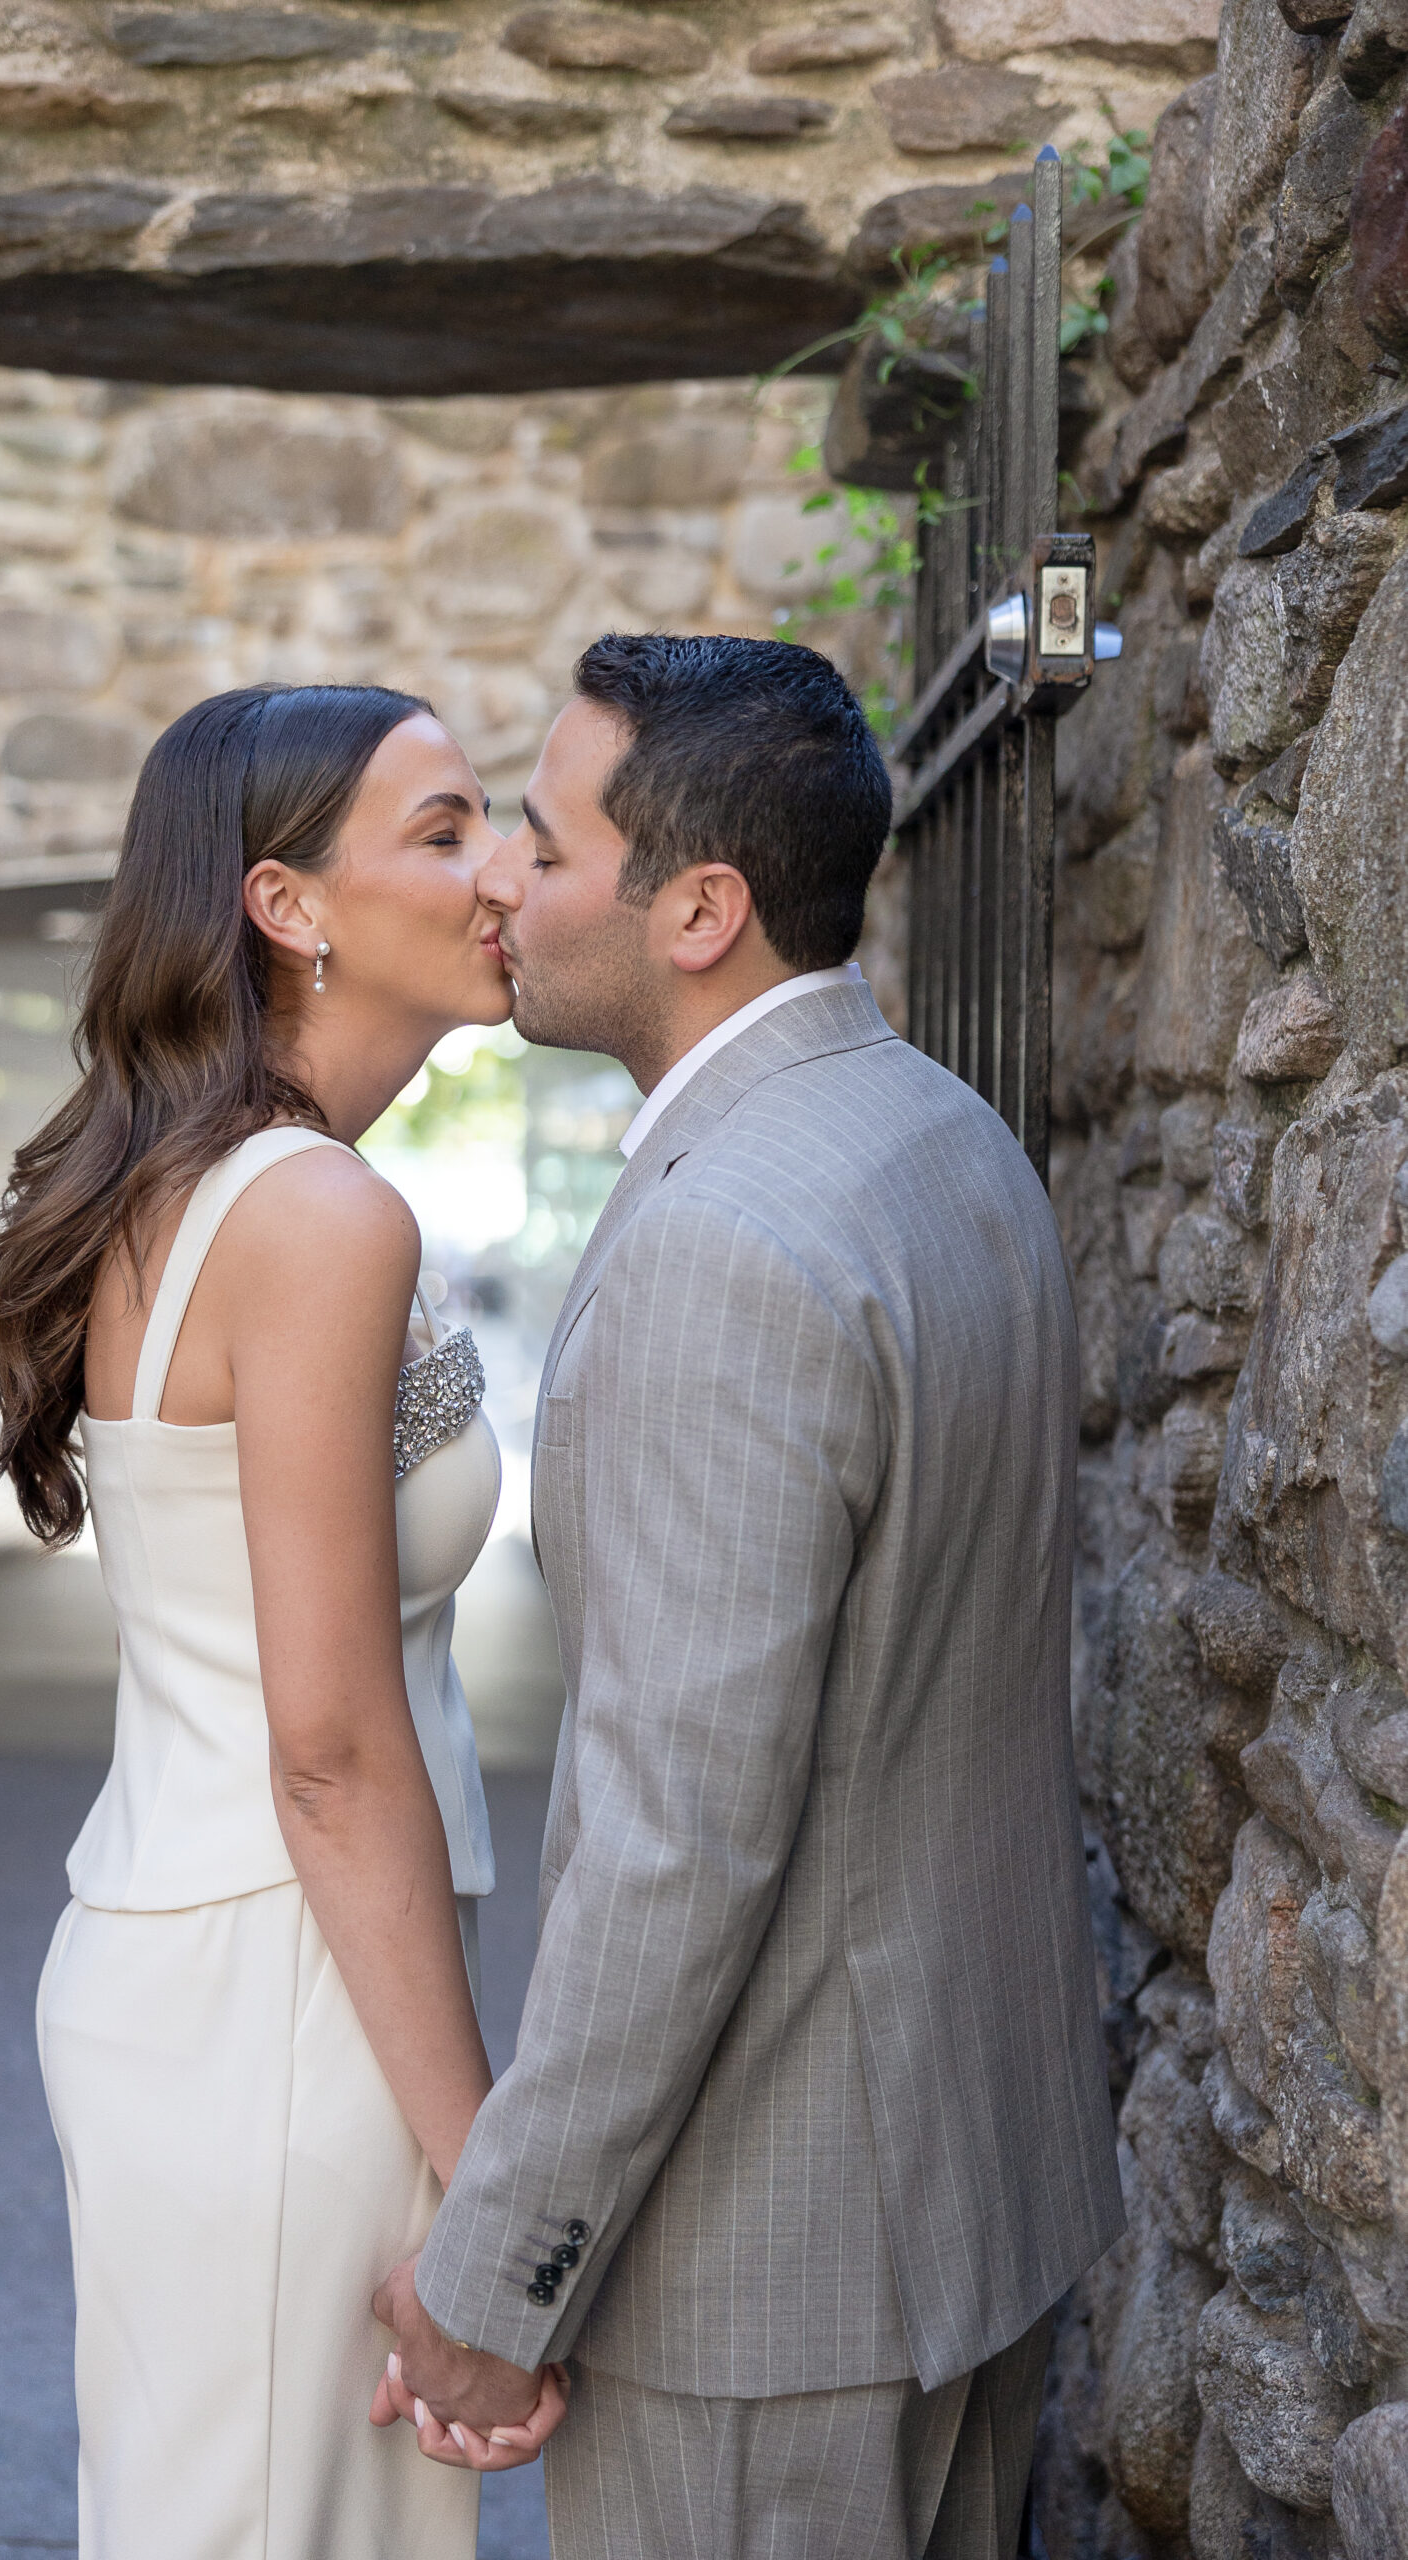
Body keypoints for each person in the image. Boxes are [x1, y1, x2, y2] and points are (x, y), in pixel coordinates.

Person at [372, 634, 1125, 2559]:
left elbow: (677, 1836)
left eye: (542, 845)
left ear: (697, 908)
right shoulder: (944, 1139)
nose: (501, 888)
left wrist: (498, 2273)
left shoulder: (724, 1235)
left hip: (768, 2276)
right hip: (975, 2191)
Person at [0, 687, 566, 2560]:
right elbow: (325, 1748)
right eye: (450, 828)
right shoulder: (312, 1213)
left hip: (216, 1971)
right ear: (288, 907)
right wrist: (496, 2196)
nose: (506, 876)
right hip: (286, 2000)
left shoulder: (200, 1185)